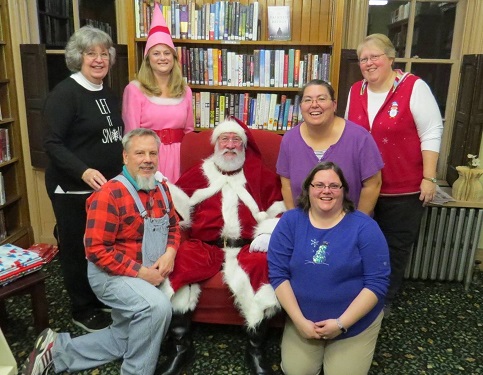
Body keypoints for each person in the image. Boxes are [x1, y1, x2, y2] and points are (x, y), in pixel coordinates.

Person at [21, 129, 181, 375]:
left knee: (125, 337)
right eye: (140, 153)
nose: (147, 159)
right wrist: (142, 273)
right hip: (110, 276)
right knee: (156, 308)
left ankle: (56, 352)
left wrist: (170, 252)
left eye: (152, 153)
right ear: (125, 157)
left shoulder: (162, 189)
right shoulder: (109, 194)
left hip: (143, 273)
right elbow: (96, 250)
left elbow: (173, 227)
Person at [156, 117, 286, 375]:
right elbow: (177, 211)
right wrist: (164, 189)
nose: (230, 145)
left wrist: (268, 232)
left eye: (236, 140)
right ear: (215, 144)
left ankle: (255, 348)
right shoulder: (198, 172)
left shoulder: (260, 174)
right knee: (177, 260)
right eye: (224, 139)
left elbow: (280, 210)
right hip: (204, 245)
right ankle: (181, 345)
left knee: (265, 265)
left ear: (243, 146)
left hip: (248, 246)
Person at [345, 33, 443, 313]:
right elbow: (350, 133)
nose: (369, 63)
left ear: (390, 58)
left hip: (404, 188)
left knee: (394, 247)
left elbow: (432, 131)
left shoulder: (414, 87)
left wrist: (429, 177)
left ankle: (385, 297)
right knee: (359, 242)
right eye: (363, 59)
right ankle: (359, 293)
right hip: (363, 186)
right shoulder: (356, 91)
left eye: (374, 56)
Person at [268, 162, 390, 375]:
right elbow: (278, 274)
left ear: (344, 191)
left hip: (353, 324)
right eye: (319, 185)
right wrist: (299, 321)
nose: (326, 191)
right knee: (296, 371)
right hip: (303, 321)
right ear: (308, 189)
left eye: (334, 185)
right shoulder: (290, 221)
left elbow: (377, 283)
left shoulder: (365, 227)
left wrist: (341, 324)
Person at [43, 25, 124, 332]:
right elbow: (52, 143)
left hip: (104, 190)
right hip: (72, 190)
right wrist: (83, 170)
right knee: (77, 249)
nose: (99, 59)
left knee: (101, 246)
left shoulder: (106, 92)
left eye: (104, 53)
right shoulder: (65, 94)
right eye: (91, 53)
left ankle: (98, 295)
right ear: (79, 57)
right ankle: (82, 307)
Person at [276, 79, 383, 215]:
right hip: (305, 227)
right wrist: (295, 222)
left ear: (334, 105)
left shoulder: (359, 137)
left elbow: (373, 184)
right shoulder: (289, 139)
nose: (314, 105)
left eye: (321, 99)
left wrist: (358, 225)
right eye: (307, 100)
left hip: (349, 226)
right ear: (301, 106)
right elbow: (286, 185)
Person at [123, 4, 194, 182]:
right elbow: (131, 133)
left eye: (167, 53)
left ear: (174, 58)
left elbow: (190, 131)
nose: (162, 58)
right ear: (148, 59)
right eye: (156, 53)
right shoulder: (135, 89)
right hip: (149, 158)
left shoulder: (185, 90)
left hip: (179, 159)